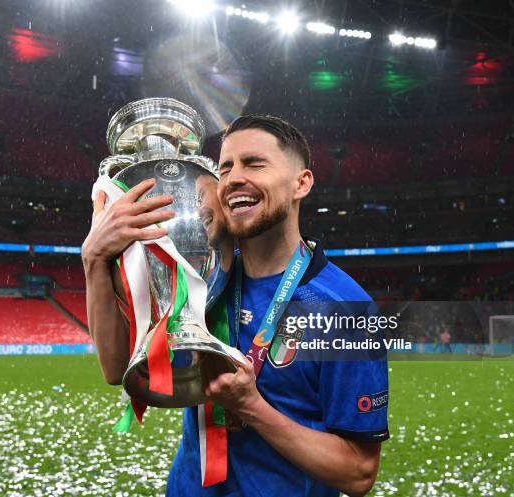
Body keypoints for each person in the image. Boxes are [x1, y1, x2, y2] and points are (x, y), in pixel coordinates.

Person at [82, 114, 389, 497]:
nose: (234, 178)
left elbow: (358, 473)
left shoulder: (345, 312)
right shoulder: (203, 277)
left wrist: (250, 406)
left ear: (301, 183)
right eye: (225, 167)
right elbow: (118, 369)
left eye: (254, 163)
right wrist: (94, 259)